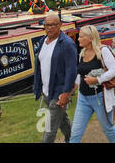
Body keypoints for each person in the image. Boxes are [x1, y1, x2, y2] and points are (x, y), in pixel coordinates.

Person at [69, 25, 115, 143]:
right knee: (75, 134)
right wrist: (70, 91)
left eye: (81, 37)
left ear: (91, 38)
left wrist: (97, 80)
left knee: (108, 129)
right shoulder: (82, 53)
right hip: (83, 98)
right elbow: (80, 74)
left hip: (100, 98)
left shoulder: (103, 51)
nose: (78, 39)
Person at [33, 13, 78, 143]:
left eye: (53, 25)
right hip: (46, 91)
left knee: (50, 128)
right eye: (47, 25)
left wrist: (66, 93)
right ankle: (73, 140)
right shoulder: (43, 41)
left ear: (60, 25)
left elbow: (71, 70)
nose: (50, 28)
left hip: (59, 92)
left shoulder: (67, 44)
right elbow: (40, 66)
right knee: (62, 121)